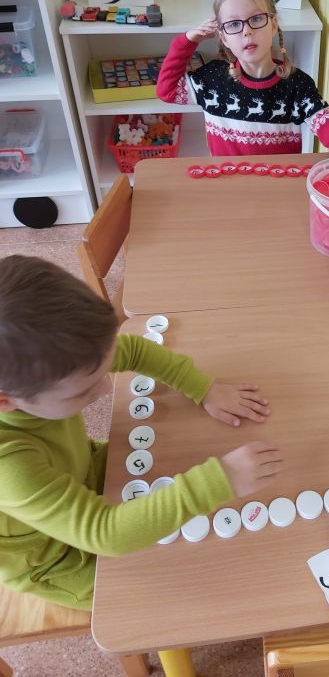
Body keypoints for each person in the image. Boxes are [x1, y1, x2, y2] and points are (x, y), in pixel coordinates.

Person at [0, 255, 283, 610]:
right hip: (57, 558)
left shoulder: (57, 364)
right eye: (83, 391)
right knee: (179, 589)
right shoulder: (9, 467)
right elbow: (105, 533)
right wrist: (219, 480)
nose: (106, 389)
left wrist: (204, 388)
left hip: (81, 472)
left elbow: (132, 350)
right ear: (5, 401)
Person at [156, 0, 329, 157]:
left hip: (277, 186)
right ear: (224, 38)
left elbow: (328, 125)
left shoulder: (297, 84)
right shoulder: (211, 80)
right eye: (234, 24)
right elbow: (167, 91)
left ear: (273, 25)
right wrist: (188, 40)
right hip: (226, 185)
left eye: (256, 19)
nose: (246, 31)